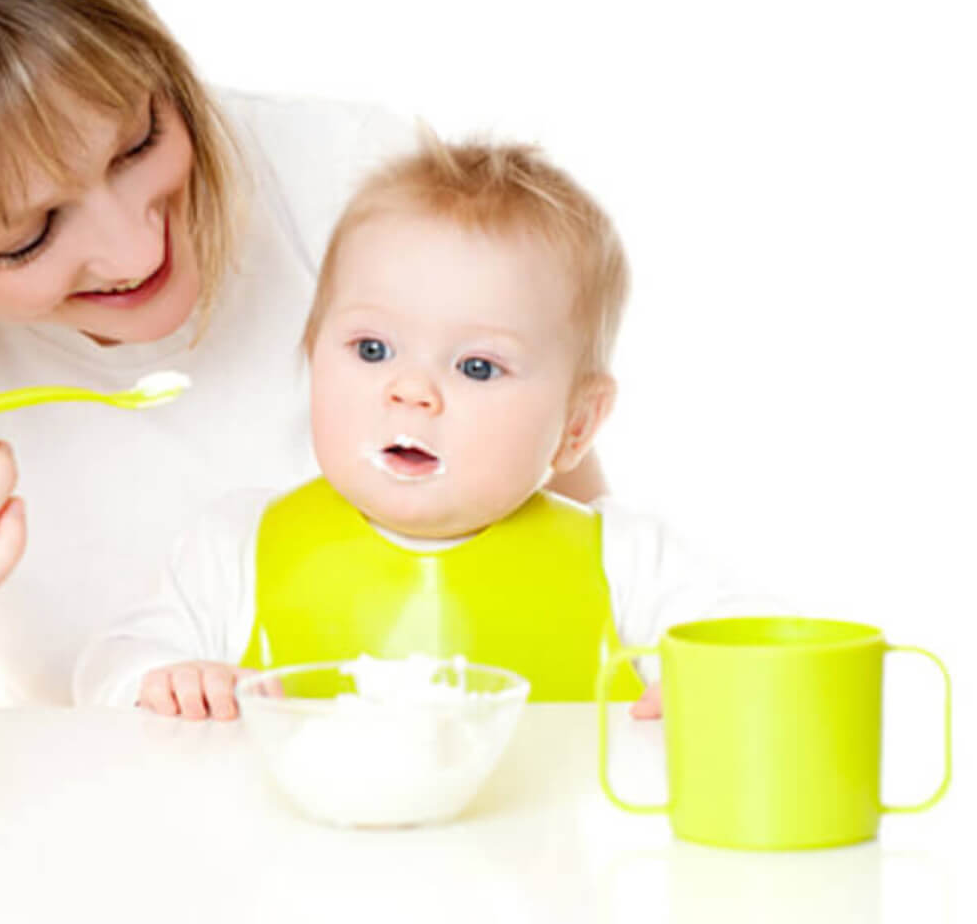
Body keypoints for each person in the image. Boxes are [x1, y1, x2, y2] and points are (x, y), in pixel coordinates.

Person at [0, 0, 606, 706]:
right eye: (26, 239)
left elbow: (580, 560)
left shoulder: (359, 185)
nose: (138, 252)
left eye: (139, 140)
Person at [73, 136, 769, 719]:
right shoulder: (237, 548)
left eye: (476, 367)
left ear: (577, 424)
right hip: (300, 876)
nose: (412, 392)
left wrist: (704, 681)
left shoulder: (626, 563)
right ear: (312, 356)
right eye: (372, 351)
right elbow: (107, 669)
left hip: (546, 875)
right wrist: (162, 681)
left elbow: (750, 645)